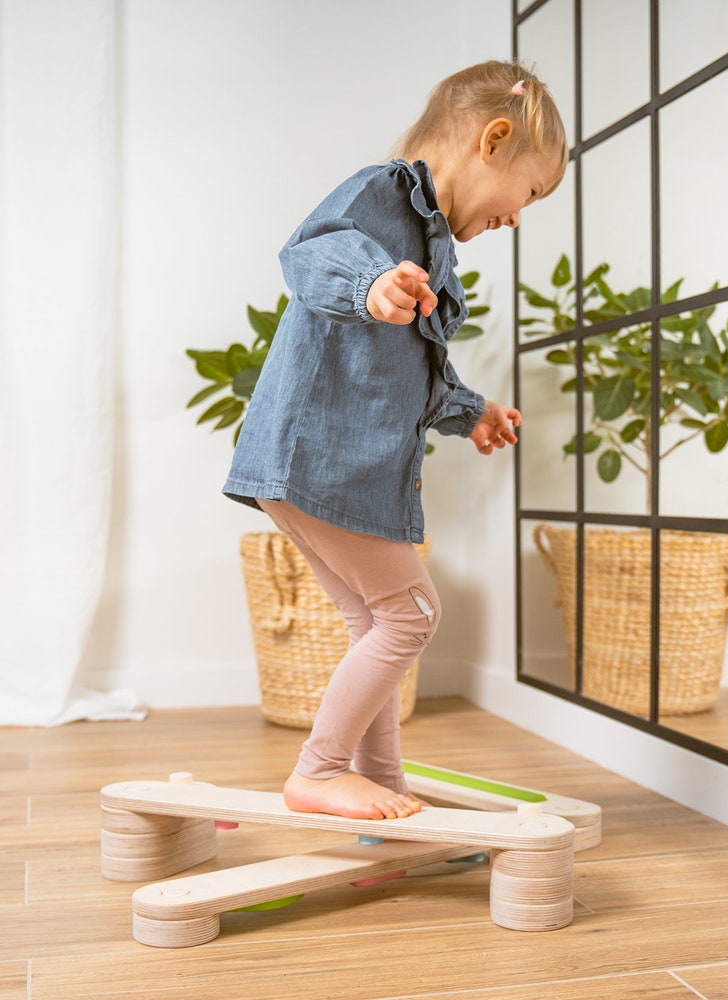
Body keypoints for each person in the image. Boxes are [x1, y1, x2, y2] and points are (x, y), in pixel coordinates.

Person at [222, 61, 567, 821]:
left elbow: (412, 370)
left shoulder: (440, 261)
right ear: (493, 139)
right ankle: (320, 770)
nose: (519, 216)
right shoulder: (381, 197)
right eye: (530, 192)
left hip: (329, 464)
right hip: (320, 455)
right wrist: (369, 287)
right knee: (412, 617)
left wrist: (470, 410)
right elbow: (311, 252)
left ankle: (380, 778)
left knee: (375, 623)